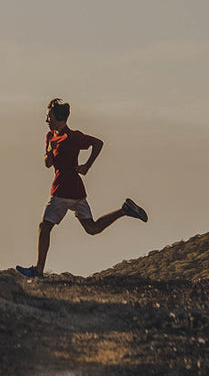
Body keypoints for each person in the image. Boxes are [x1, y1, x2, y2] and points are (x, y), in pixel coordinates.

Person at [16, 98, 147, 278]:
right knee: (91, 228)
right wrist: (49, 149)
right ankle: (125, 210)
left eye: (49, 117)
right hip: (76, 191)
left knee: (44, 227)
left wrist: (87, 166)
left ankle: (38, 271)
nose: (47, 120)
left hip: (62, 190)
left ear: (58, 117)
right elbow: (47, 164)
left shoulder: (73, 136)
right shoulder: (50, 136)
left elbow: (98, 143)